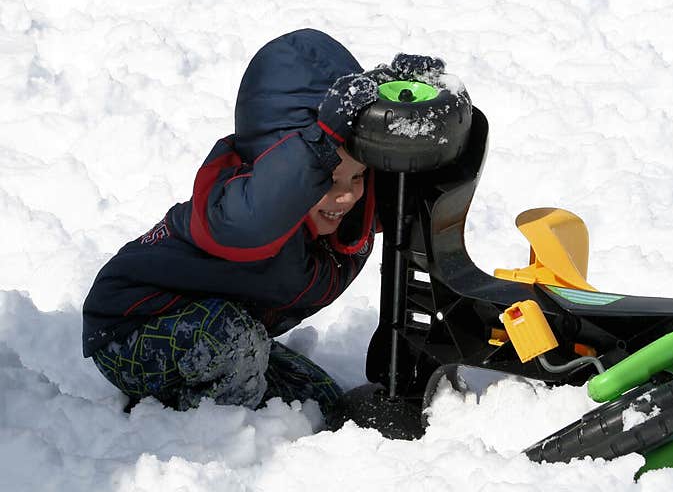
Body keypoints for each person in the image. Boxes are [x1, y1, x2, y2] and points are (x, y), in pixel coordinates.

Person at [82, 28, 444, 418]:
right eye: (327, 180)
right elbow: (264, 210)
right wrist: (318, 145)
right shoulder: (237, 208)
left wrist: (414, 120)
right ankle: (201, 437)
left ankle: (198, 389)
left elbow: (407, 190)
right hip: (131, 329)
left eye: (357, 177)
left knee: (321, 403)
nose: (346, 196)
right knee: (233, 340)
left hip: (225, 327)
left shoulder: (343, 208)